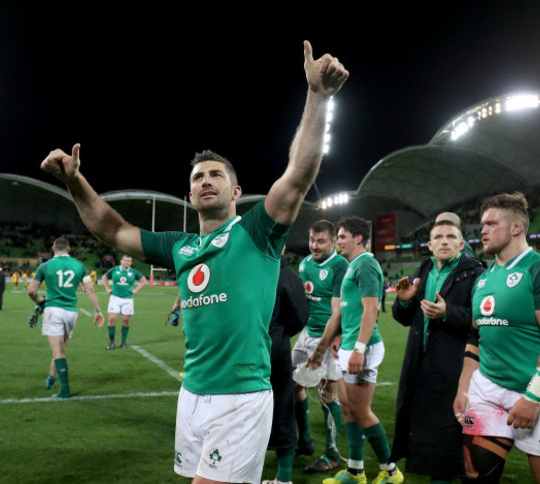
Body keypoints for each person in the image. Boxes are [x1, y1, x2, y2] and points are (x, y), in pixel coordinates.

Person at [40, 40, 348, 484]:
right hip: (193, 392)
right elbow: (111, 229)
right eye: (198, 178)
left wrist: (318, 96)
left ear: (236, 192)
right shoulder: (177, 246)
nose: (206, 181)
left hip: (242, 395)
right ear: (189, 195)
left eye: (216, 175)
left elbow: (299, 173)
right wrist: (74, 181)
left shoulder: (257, 231)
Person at [453, 192, 540, 483]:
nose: (481, 230)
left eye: (490, 223)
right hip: (486, 392)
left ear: (516, 228)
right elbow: (476, 337)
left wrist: (533, 398)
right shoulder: (483, 279)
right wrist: (464, 388)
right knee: (474, 471)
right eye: (481, 224)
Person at [308, 216, 403, 484]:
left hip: (363, 348)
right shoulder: (354, 266)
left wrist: (360, 349)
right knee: (349, 409)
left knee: (362, 412)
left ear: (358, 238)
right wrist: (340, 337)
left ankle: (390, 471)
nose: (337, 241)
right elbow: (351, 309)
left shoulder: (367, 265)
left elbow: (371, 309)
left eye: (341, 236)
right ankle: (356, 471)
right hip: (348, 346)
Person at [390, 221, 484, 483]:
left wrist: (448, 314)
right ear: (430, 245)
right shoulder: (426, 268)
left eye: (451, 236)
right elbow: (406, 318)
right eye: (439, 237)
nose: (445, 241)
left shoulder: (475, 273)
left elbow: (482, 319)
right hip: (420, 364)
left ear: (461, 244)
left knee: (448, 435)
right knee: (428, 431)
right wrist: (403, 301)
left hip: (454, 366)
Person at [292, 220, 348, 473]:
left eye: (321, 241)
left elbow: (339, 313)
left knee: (327, 396)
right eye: (312, 240)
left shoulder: (341, 266)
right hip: (306, 334)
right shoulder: (304, 264)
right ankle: (304, 440)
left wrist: (321, 350)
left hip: (328, 339)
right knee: (292, 384)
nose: (314, 245)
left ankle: (332, 454)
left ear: (334, 241)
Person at [27, 236, 104, 398]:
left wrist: (39, 302)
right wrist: (97, 310)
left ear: (53, 249)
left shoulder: (45, 266)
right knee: (60, 350)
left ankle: (65, 391)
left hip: (53, 310)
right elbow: (90, 289)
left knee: (58, 353)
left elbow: (31, 290)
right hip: (71, 312)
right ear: (69, 250)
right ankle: (51, 377)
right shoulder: (79, 265)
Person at [263, 251, 309, 484]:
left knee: (279, 407)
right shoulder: (289, 276)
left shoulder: (285, 276)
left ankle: (284, 477)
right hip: (273, 349)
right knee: (279, 407)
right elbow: (299, 317)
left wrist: (276, 333)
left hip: (263, 352)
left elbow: (299, 318)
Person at [102, 255, 147, 349]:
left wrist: (136, 290)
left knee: (126, 320)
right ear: (121, 261)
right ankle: (111, 343)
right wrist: (107, 288)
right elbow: (104, 277)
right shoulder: (114, 270)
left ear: (131, 263)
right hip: (115, 298)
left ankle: (123, 342)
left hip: (128, 299)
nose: (127, 262)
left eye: (129, 261)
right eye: (125, 260)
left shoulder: (133, 272)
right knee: (112, 319)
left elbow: (143, 281)